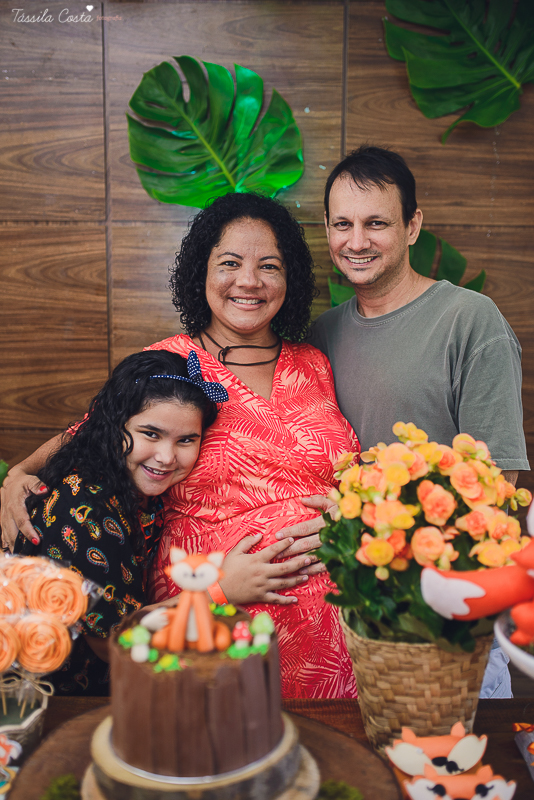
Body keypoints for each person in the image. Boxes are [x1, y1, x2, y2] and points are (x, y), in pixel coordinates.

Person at [2, 192, 360, 699]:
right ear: (202, 271)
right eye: (230, 263)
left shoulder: (314, 364)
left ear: (292, 279)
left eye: (269, 266)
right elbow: (92, 434)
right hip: (210, 606)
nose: (249, 281)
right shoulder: (173, 361)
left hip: (338, 618)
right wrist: (17, 473)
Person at [306, 145, 530, 697]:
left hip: (445, 613)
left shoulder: (469, 321)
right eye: (343, 224)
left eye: (376, 223)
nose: (356, 242)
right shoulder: (318, 336)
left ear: (412, 226)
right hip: (346, 611)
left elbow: (499, 488)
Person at [12, 348, 227, 695]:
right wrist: (222, 590)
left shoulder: (135, 490)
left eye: (187, 440)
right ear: (115, 429)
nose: (167, 457)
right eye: (151, 434)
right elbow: (113, 643)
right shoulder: (87, 506)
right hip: (51, 705)